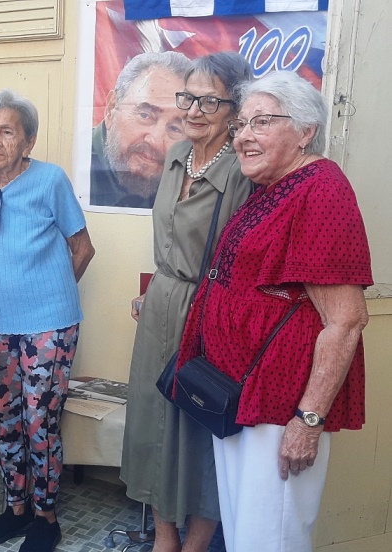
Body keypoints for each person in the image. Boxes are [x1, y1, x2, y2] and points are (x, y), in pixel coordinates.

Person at [177, 70, 372, 552]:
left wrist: (308, 421)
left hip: (280, 405)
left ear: (305, 131)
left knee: (270, 537)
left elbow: (345, 320)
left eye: (261, 122)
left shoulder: (321, 188)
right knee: (245, 533)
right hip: (239, 395)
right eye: (241, 124)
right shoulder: (275, 186)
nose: (243, 136)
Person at [120, 52, 253, 552]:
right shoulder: (176, 156)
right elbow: (173, 239)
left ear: (234, 109)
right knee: (152, 418)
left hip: (210, 312)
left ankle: (195, 544)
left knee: (201, 425)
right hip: (161, 306)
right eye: (188, 98)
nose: (194, 110)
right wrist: (156, 287)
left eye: (209, 101)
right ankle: (164, 538)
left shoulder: (242, 171)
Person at [0, 89, 95, 552]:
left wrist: (49, 297)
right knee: (5, 419)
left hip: (48, 326)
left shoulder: (50, 179)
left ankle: (46, 516)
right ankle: (15, 508)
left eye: (7, 131)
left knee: (41, 421)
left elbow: (83, 248)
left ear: (29, 141)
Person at [90, 51, 190, 208]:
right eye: (145, 115)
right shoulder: (71, 164)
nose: (156, 141)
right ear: (111, 109)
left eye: (175, 128)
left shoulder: (189, 182)